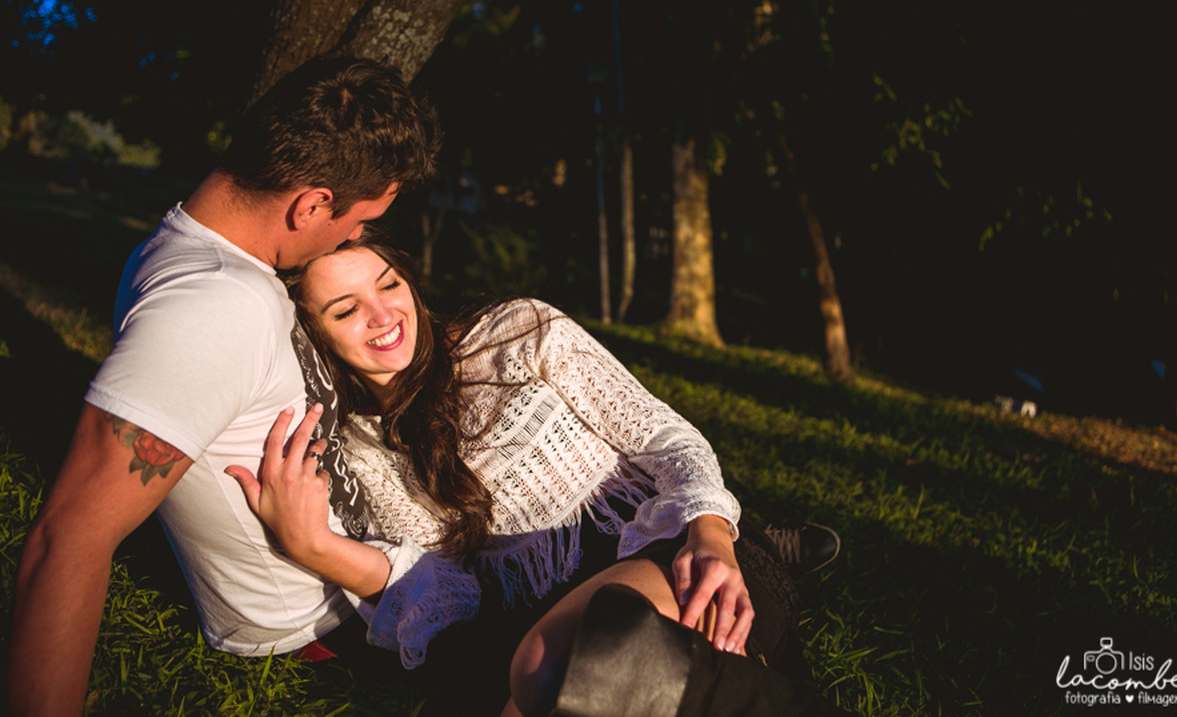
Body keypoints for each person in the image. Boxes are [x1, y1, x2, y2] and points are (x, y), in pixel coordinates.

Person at [228, 226, 842, 716]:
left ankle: (763, 545)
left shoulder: (515, 329)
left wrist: (710, 533)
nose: (383, 315)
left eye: (388, 285)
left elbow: (661, 435)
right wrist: (311, 545)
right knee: (544, 676)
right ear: (316, 337)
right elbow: (451, 594)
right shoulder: (360, 453)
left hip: (662, 545)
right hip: (543, 614)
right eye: (344, 311)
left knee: (554, 664)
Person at [8, 56, 441, 717]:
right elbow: (69, 535)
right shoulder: (214, 304)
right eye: (357, 219)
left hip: (369, 574)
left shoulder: (195, 245)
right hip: (337, 629)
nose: (357, 236)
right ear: (312, 205)